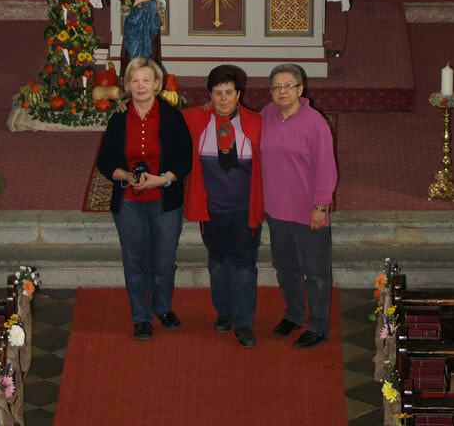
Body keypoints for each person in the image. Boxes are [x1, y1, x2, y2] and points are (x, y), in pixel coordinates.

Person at [96, 56, 192, 339]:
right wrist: (126, 176)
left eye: (146, 80)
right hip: (128, 201)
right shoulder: (119, 118)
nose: (140, 86)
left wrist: (162, 179)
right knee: (135, 261)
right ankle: (141, 317)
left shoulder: (172, 117)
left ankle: (162, 307)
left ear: (157, 83)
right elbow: (104, 161)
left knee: (163, 260)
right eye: (135, 81)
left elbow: (185, 160)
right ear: (127, 84)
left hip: (164, 200)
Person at [183, 64, 263, 347]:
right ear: (209, 94)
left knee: (243, 266)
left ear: (239, 94)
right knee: (217, 263)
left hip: (244, 210)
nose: (223, 98)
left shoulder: (256, 122)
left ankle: (243, 323)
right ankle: (224, 312)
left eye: (229, 92)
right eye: (217, 93)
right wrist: (125, 104)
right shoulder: (195, 119)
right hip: (211, 210)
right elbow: (162, 117)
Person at [260, 63, 337, 348]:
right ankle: (293, 314)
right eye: (276, 87)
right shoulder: (266, 115)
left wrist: (321, 205)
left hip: (308, 211)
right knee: (285, 267)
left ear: (301, 89)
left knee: (315, 272)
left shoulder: (315, 123)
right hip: (275, 209)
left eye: (288, 86)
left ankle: (318, 325)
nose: (282, 91)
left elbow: (326, 168)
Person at [118, 0, 165, 79]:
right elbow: (124, 3)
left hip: (149, 22)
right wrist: (138, 0)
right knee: (132, 52)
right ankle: (131, 79)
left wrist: (147, 2)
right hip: (133, 22)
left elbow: (160, 2)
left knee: (149, 54)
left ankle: (150, 79)